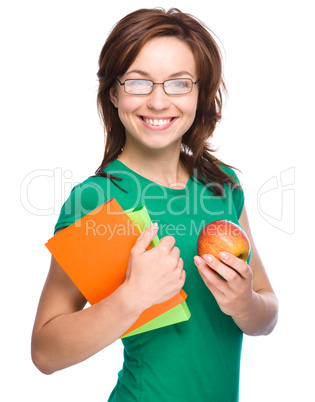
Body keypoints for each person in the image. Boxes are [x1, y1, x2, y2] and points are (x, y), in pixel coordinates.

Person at [31, 8, 278, 401]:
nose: (159, 101)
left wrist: (245, 303)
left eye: (179, 83)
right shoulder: (99, 200)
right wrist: (132, 297)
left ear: (201, 92)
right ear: (113, 93)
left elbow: (267, 313)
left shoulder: (221, 187)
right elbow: (45, 351)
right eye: (138, 82)